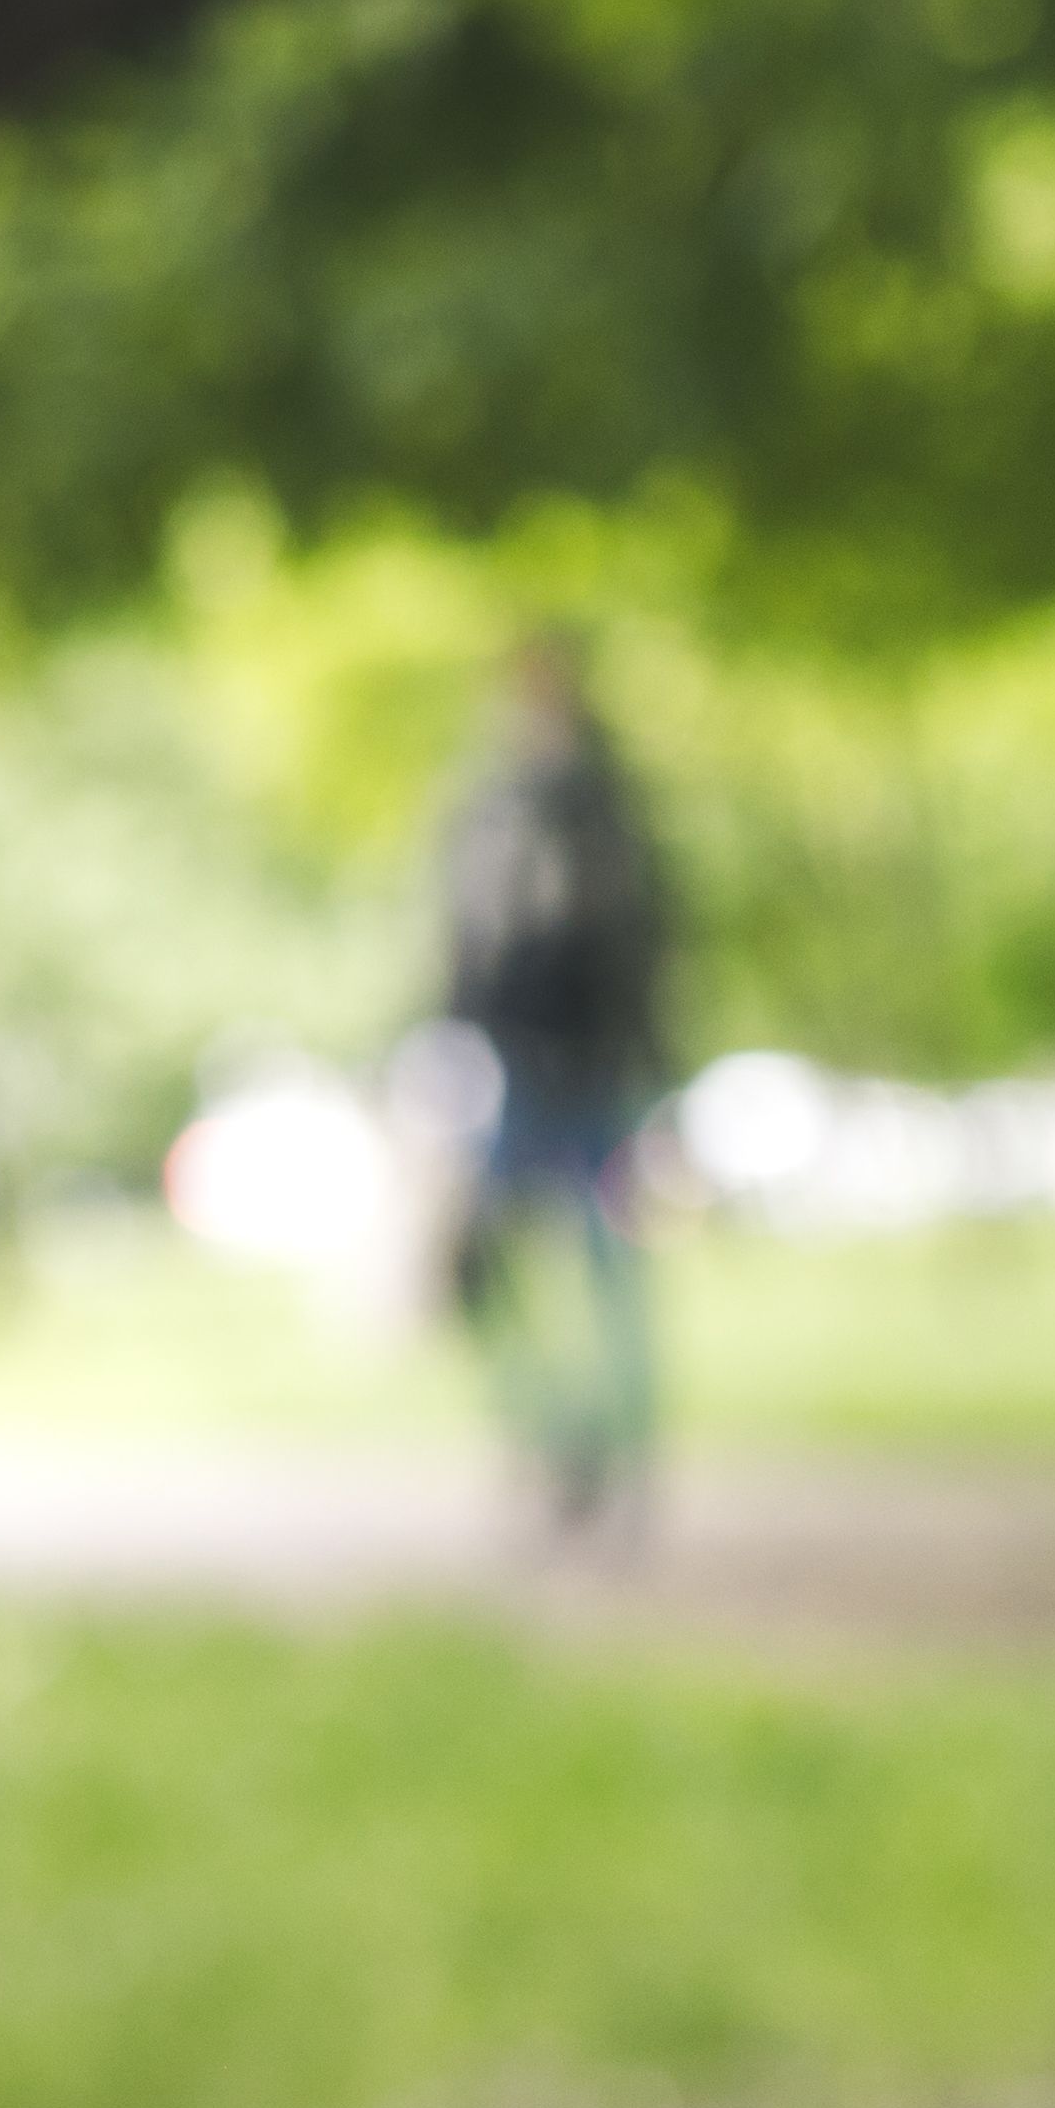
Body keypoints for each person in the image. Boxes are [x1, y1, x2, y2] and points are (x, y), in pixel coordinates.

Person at [434, 630, 677, 1530]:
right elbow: (465, 940)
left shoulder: (603, 807)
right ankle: (553, 1439)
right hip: (519, 1079)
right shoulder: (493, 805)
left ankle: (618, 1458)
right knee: (492, 1270)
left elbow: (648, 943)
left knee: (612, 1275)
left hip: (602, 1082)